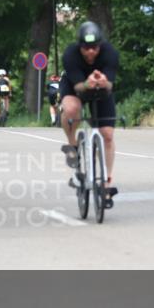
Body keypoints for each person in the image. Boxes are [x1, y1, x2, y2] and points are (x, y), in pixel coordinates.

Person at [59, 21, 119, 207]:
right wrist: (87, 83)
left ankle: (107, 182)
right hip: (75, 87)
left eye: (94, 47)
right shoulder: (70, 54)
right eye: (86, 48)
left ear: (100, 45)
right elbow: (78, 86)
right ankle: (73, 145)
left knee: (107, 135)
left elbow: (110, 84)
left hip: (101, 91)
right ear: (80, 46)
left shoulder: (110, 53)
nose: (91, 52)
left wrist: (103, 81)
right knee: (71, 109)